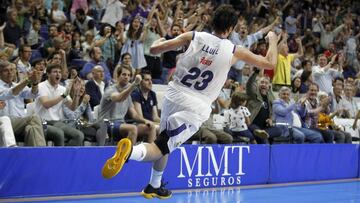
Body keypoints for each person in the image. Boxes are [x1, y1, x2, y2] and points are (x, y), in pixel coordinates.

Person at [101, 5, 278, 199]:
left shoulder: (193, 36)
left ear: (212, 23)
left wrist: (161, 39)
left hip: (174, 94)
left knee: (165, 140)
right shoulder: (235, 50)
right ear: (230, 29)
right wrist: (273, 40)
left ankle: (154, 185)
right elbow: (270, 63)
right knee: (160, 146)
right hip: (196, 105)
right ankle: (129, 153)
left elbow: (154, 48)